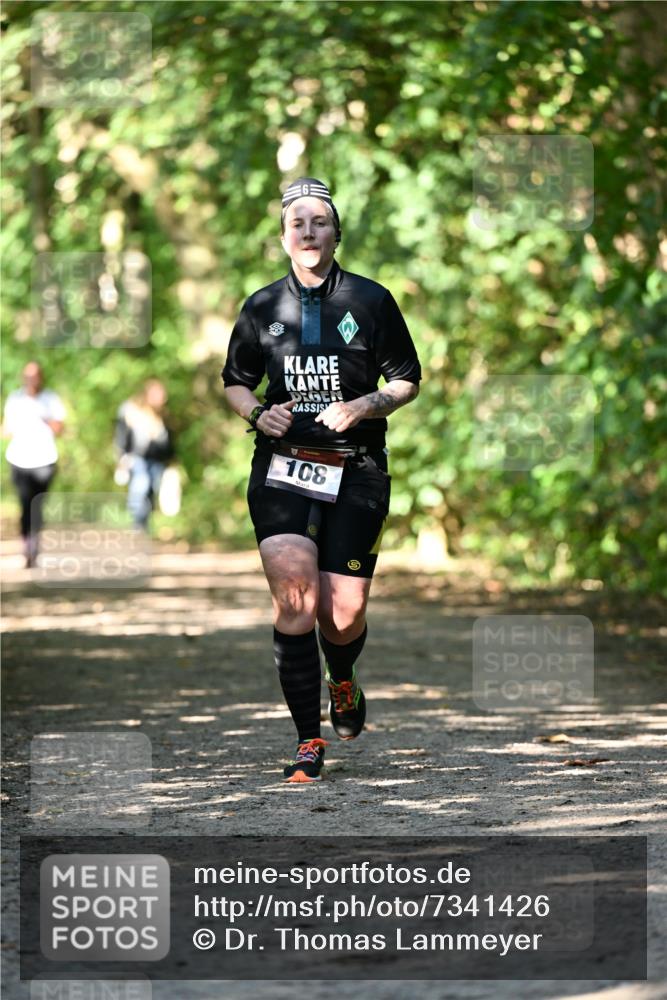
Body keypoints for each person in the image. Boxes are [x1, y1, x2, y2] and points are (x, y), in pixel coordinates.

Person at [222, 177, 421, 783]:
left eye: (319, 223)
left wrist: (363, 407)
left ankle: (342, 677)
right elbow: (234, 381)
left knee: (341, 614)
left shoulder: (371, 300)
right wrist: (260, 413)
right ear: (284, 237)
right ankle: (308, 740)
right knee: (295, 596)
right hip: (283, 464)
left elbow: (406, 381)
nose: (308, 232)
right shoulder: (261, 307)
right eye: (297, 224)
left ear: (337, 234)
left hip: (356, 466)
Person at [2, 361, 65, 568]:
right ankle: (27, 545)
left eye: (35, 375)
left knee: (37, 504)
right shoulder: (15, 399)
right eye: (28, 376)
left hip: (45, 459)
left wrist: (45, 418)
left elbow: (60, 428)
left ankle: (35, 542)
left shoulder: (51, 399)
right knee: (24, 504)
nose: (31, 380)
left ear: (41, 377)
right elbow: (7, 429)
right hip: (19, 458)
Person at [114, 379, 174, 530]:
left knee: (150, 492)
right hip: (136, 458)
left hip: (156, 461)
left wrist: (171, 459)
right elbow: (122, 435)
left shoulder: (162, 415)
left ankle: (143, 526)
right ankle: (137, 525)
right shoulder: (131, 410)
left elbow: (168, 441)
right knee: (140, 487)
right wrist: (122, 457)